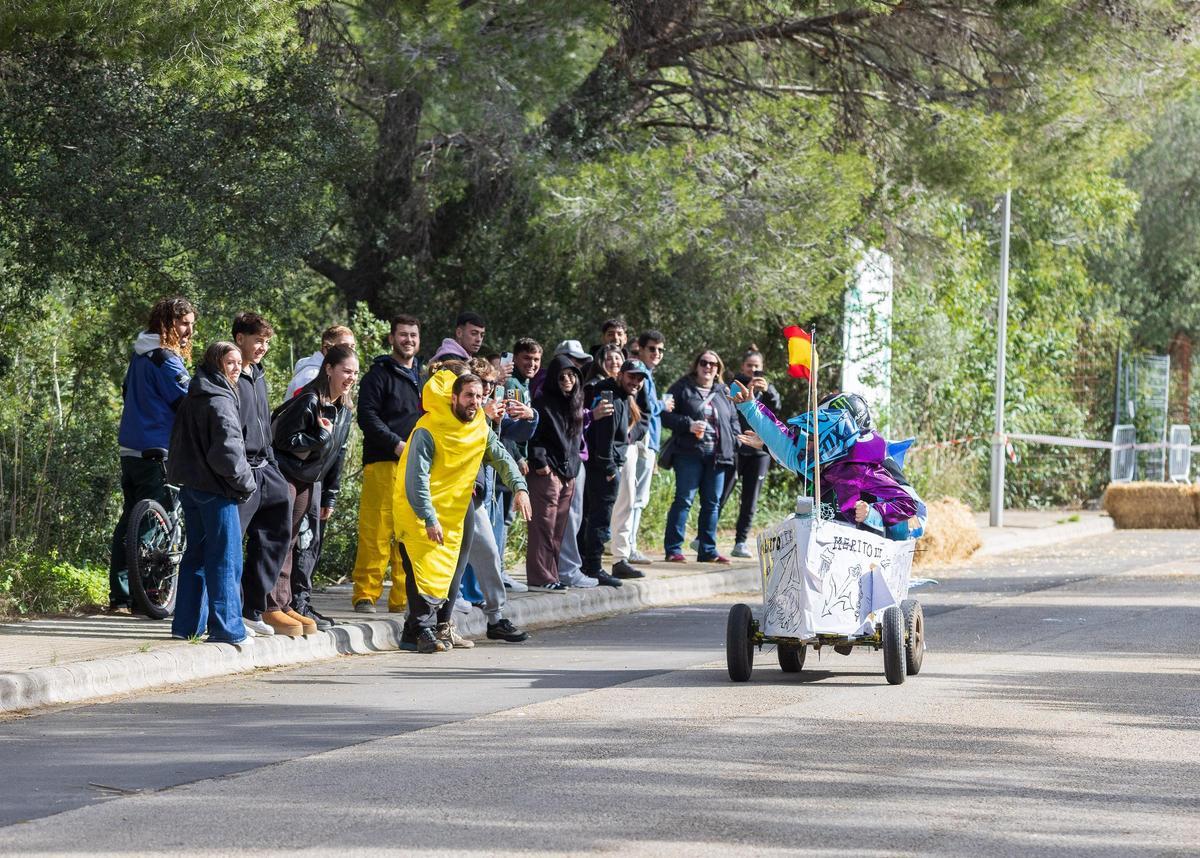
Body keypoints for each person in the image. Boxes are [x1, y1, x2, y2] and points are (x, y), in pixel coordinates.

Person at [394, 370, 531, 653]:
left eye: (480, 397)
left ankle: (440, 626)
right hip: (421, 507)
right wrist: (429, 517)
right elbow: (415, 478)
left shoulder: (479, 426)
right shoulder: (428, 429)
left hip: (459, 507)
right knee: (424, 567)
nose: (474, 402)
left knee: (454, 568)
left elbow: (501, 458)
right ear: (453, 397)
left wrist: (520, 487)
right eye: (469, 395)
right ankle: (419, 629)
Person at [731, 387, 918, 537]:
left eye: (815, 434)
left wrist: (875, 514)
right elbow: (784, 444)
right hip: (823, 549)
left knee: (899, 528)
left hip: (865, 554)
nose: (808, 441)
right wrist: (750, 408)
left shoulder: (876, 461)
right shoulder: (815, 461)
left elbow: (909, 509)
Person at [110, 296, 195, 612]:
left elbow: (125, 393)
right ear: (167, 324)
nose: (188, 331)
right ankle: (146, 595)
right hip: (159, 448)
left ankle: (120, 595)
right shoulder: (164, 359)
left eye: (190, 325)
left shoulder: (139, 356)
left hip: (130, 447)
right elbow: (186, 403)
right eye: (184, 324)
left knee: (130, 520)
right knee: (154, 524)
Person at [167, 342, 256, 645]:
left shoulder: (195, 393)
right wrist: (246, 482)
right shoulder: (219, 399)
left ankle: (187, 625)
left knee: (196, 558)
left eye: (238, 363)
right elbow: (228, 451)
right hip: (215, 489)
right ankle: (228, 630)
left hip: (191, 487)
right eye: (230, 362)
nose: (236, 368)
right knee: (225, 560)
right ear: (216, 363)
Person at [270, 344, 358, 635]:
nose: (350, 377)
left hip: (310, 479)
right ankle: (268, 605)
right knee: (279, 540)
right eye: (346, 370)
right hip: (287, 477)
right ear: (329, 369)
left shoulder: (343, 406)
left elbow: (338, 454)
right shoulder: (309, 398)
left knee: (294, 541)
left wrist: (330, 494)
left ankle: (284, 604)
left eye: (355, 373)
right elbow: (283, 441)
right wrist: (319, 435)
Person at [229, 312, 297, 637]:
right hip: (241, 471)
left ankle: (253, 607)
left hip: (265, 467)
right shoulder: (228, 375)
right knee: (232, 542)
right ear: (239, 338)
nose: (262, 348)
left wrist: (274, 469)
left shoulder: (258, 374)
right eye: (258, 340)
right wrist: (238, 469)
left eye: (267, 342)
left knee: (276, 533)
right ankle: (231, 610)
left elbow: (264, 424)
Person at [351, 315, 424, 613]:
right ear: (391, 338)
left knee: (409, 534)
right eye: (403, 335)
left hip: (416, 467)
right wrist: (396, 443)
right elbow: (366, 417)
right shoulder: (377, 376)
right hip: (384, 461)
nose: (408, 340)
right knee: (376, 529)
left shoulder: (425, 378)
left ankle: (403, 598)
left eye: (413, 336)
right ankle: (366, 594)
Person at [661, 350, 741, 564]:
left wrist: (735, 440)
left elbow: (734, 420)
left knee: (712, 503)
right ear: (696, 365)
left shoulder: (724, 391)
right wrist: (688, 424)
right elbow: (665, 416)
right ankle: (673, 549)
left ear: (718, 370)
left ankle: (707, 550)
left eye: (713, 365)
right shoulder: (681, 388)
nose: (708, 367)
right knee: (683, 500)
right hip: (688, 454)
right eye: (704, 363)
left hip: (718, 456)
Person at [609, 329, 672, 578]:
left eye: (660, 350)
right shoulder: (622, 383)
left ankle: (624, 551)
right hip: (626, 448)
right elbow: (645, 410)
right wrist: (663, 406)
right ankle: (624, 549)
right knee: (625, 499)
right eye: (651, 349)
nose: (656, 354)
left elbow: (644, 414)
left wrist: (636, 439)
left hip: (640, 445)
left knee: (634, 498)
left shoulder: (648, 378)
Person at [582, 359, 649, 586]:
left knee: (597, 517)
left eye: (640, 379)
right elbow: (604, 435)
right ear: (620, 374)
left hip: (611, 463)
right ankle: (592, 567)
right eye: (632, 377)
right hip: (604, 466)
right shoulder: (608, 393)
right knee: (599, 519)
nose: (636, 382)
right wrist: (609, 467)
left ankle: (590, 565)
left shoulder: (623, 395)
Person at [526, 355, 584, 589]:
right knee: (543, 526)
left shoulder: (575, 404)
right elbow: (535, 436)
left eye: (571, 375)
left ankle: (552, 575)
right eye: (562, 376)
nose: (567, 380)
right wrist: (542, 465)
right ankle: (540, 578)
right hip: (547, 473)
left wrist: (573, 469)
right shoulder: (543, 403)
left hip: (569, 473)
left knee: (558, 529)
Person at [719, 346, 782, 558]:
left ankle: (740, 542)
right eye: (749, 366)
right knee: (723, 493)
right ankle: (706, 536)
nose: (752, 370)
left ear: (762, 368)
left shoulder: (767, 389)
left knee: (750, 499)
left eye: (757, 366)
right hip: (736, 448)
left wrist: (769, 393)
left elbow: (775, 415)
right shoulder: (734, 387)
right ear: (742, 367)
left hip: (760, 452)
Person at [491, 338, 542, 591]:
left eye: (536, 360)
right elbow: (506, 430)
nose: (531, 364)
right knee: (501, 519)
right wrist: (518, 458)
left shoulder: (525, 384)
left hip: (512, 460)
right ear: (515, 360)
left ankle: (497, 571)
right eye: (526, 359)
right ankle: (497, 572)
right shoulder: (512, 384)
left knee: (504, 518)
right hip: (505, 461)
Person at [286, 325, 357, 398]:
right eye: (344, 346)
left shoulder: (336, 373)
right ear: (327, 347)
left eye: (352, 346)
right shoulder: (310, 377)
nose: (350, 351)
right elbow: (302, 408)